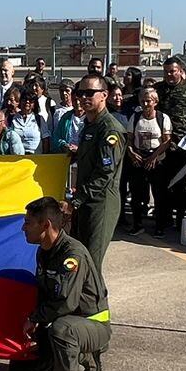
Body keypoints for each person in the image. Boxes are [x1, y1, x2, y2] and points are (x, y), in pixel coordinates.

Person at [20, 196, 110, 371]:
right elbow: (45, 293)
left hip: (91, 323)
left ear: (46, 225)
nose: (23, 228)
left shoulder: (72, 255)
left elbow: (66, 302)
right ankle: (55, 360)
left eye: (28, 222)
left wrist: (34, 318)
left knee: (62, 330)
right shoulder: (45, 250)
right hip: (66, 318)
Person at [71, 76, 126, 267]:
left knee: (91, 264)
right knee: (80, 260)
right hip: (85, 201)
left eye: (89, 93)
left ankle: (96, 289)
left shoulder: (109, 129)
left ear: (104, 95)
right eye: (80, 93)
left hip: (101, 204)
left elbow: (105, 172)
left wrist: (76, 200)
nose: (83, 98)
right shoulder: (89, 125)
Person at [154, 57, 186, 224]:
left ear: (180, 71)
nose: (169, 75)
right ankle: (164, 218)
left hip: (183, 145)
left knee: (183, 184)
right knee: (161, 183)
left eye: (172, 71)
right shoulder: (158, 89)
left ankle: (181, 219)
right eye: (166, 72)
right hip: (161, 144)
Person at [125, 83, 169, 235]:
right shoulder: (135, 117)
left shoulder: (163, 118)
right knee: (136, 195)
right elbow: (129, 139)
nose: (145, 104)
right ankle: (137, 224)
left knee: (159, 194)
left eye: (148, 101)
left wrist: (154, 157)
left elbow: (166, 141)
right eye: (142, 101)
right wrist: (131, 152)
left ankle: (159, 226)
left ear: (155, 102)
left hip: (157, 160)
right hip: (139, 158)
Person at [3, 89, 42, 155]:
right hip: (17, 156)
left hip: (36, 156)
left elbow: (45, 139)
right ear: (20, 102)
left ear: (34, 104)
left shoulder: (39, 119)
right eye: (24, 100)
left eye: (31, 101)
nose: (27, 102)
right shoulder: (11, 118)